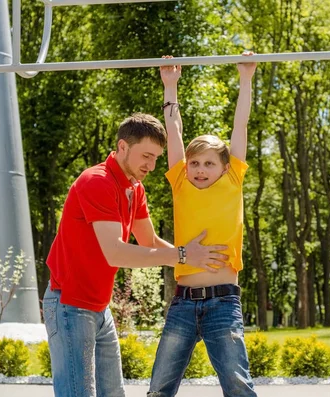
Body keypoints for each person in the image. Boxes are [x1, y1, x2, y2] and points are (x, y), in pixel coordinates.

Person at [42, 113, 229, 397]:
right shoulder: (97, 181)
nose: (151, 166)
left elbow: (149, 240)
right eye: (146, 156)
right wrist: (182, 255)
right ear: (122, 147)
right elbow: (116, 253)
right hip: (69, 304)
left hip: (99, 306)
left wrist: (198, 267)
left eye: (156, 158)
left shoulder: (134, 188)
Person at [148, 53, 257, 397]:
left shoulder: (233, 180)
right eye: (194, 162)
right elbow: (173, 130)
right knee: (159, 388)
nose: (199, 169)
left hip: (223, 303)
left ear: (224, 167)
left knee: (239, 388)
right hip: (182, 302)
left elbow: (240, 125)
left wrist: (246, 78)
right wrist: (170, 87)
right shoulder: (181, 183)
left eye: (209, 163)